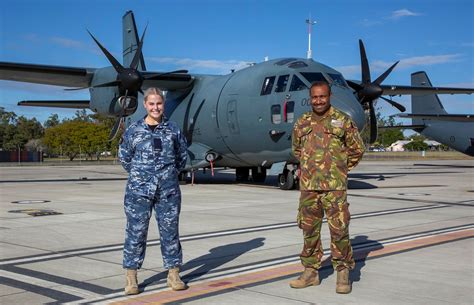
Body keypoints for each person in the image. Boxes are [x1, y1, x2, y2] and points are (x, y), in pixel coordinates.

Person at [290, 81, 365, 294]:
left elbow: (357, 150)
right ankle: (310, 272)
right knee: (309, 230)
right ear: (310, 98)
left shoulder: (342, 121)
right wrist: (310, 168)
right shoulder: (302, 122)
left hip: (335, 188)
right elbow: (297, 150)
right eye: (315, 97)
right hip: (309, 188)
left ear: (329, 96)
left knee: (339, 230)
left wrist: (339, 168)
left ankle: (343, 273)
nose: (318, 100)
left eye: (322, 96)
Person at [119, 87, 188, 295]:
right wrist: (142, 175)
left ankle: (173, 274)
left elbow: (182, 156)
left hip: (167, 191)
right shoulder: (134, 130)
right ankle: (131, 277)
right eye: (152, 104)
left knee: (170, 232)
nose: (155, 107)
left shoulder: (173, 130)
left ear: (163, 105)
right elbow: (124, 157)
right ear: (145, 105)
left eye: (159, 103)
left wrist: (167, 175)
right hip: (138, 192)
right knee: (135, 233)